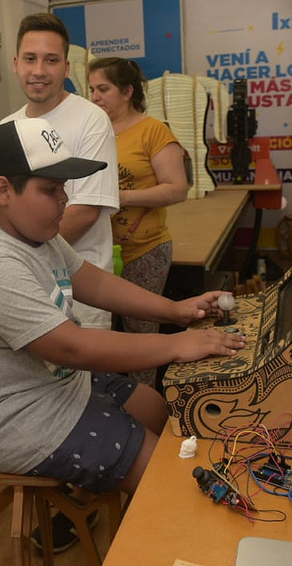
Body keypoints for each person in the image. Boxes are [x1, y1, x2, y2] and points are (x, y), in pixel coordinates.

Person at [0, 118, 244, 552]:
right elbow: (71, 346)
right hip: (14, 422)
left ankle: (81, 498)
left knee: (156, 408)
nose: (65, 200)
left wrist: (175, 311)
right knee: (170, 473)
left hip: (50, 388)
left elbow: (89, 280)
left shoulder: (30, 231)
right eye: (51, 189)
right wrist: (175, 345)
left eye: (65, 187)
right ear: (4, 190)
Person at [1, 13, 120, 330]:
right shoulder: (5, 129)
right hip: (23, 291)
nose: (39, 71)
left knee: (87, 380)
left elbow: (84, 212)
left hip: (80, 293)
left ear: (66, 69)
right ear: (16, 63)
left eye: (51, 60)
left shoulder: (91, 120)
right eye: (30, 59)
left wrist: (20, 260)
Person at [88, 57, 189, 388]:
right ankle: (107, 404)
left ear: (127, 91)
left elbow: (177, 189)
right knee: (99, 331)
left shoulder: (153, 131)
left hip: (144, 250)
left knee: (141, 334)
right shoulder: (91, 131)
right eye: (91, 89)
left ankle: (146, 407)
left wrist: (121, 198)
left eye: (103, 89)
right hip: (97, 251)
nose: (95, 97)